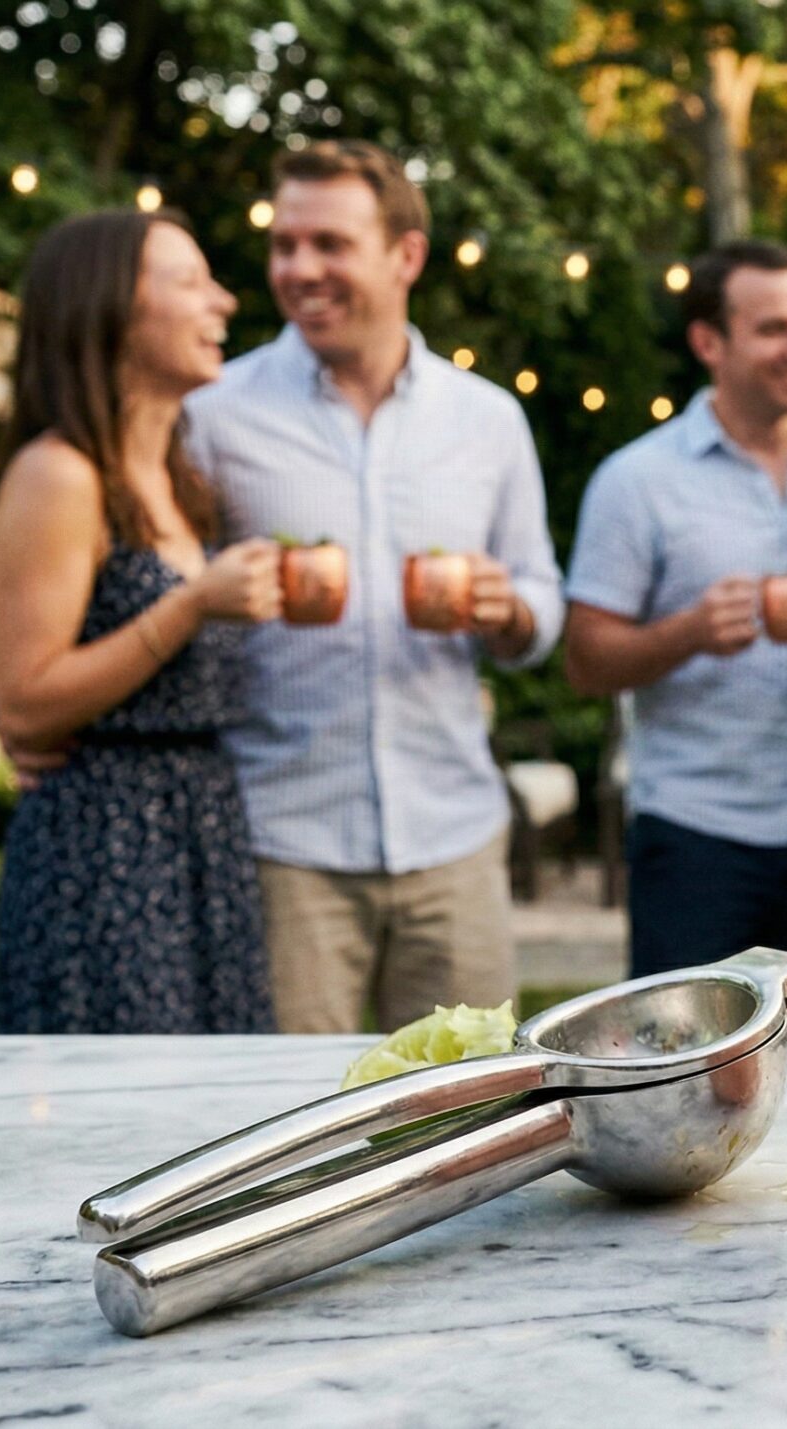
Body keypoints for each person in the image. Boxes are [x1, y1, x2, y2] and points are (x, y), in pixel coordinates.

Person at [186, 140, 564, 1034]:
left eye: (330, 245)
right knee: (286, 1133)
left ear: (406, 256)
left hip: (455, 840)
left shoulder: (487, 420)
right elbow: (175, 600)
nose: (299, 269)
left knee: (469, 1118)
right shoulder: (214, 414)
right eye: (285, 246)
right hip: (283, 841)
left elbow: (544, 598)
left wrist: (510, 612)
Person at [0, 210, 279, 1033]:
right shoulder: (59, 474)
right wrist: (189, 606)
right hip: (104, 857)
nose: (223, 299)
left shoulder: (181, 478)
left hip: (202, 837)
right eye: (190, 281)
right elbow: (24, 701)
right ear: (111, 309)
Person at [563, 241, 787, 975]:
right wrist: (689, 632)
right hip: (696, 836)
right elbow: (584, 659)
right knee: (694, 1075)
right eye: (774, 329)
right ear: (709, 341)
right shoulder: (638, 479)